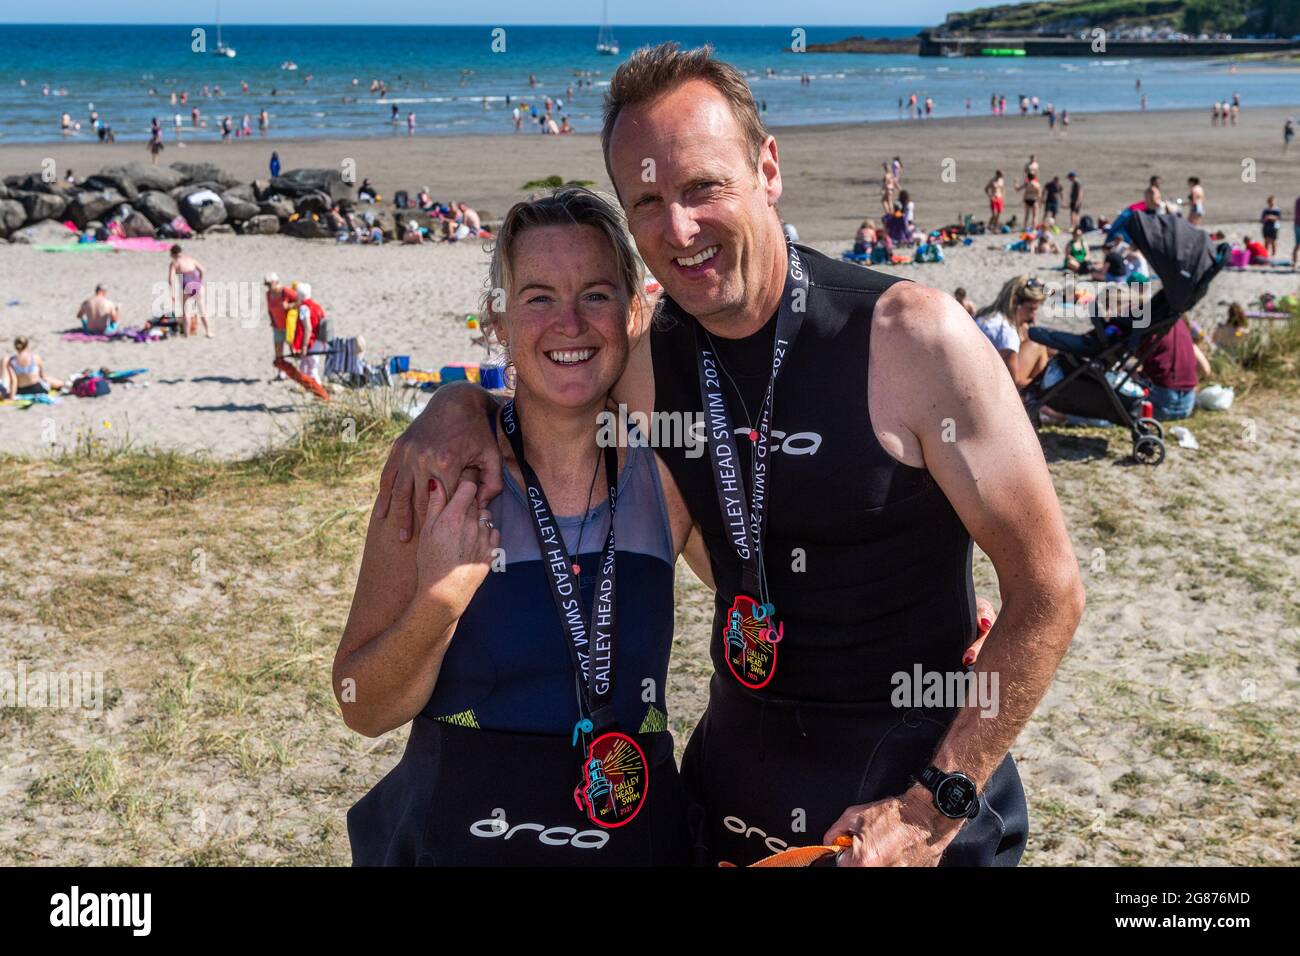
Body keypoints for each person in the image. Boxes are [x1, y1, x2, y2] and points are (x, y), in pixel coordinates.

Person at [376, 43, 1085, 868]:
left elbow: (1051, 591)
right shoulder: (646, 360)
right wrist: (453, 404)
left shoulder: (912, 341)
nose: (677, 229)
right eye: (646, 201)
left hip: (901, 806)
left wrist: (934, 809)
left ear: (768, 169)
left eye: (702, 187)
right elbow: (547, 380)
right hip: (727, 793)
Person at [337, 188, 699, 866]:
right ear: (496, 321)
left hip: (635, 840)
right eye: (537, 298)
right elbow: (361, 704)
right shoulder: (442, 473)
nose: (569, 323)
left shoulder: (668, 475)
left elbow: (783, 597)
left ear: (634, 311)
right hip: (461, 841)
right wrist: (438, 605)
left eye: (596, 294)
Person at [973, 275, 1051, 390]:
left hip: (976, 375)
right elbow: (1013, 385)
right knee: (1038, 345)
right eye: (1031, 309)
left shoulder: (985, 316)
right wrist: (1045, 383)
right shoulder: (1007, 334)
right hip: (987, 388)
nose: (1033, 316)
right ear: (1015, 302)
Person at [1139, 316, 1210, 421]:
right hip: (1187, 405)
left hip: (1159, 405)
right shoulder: (1181, 325)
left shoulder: (1150, 325)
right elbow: (1206, 370)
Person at [168, 244, 211, 337]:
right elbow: (202, 270)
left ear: (173, 254)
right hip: (197, 285)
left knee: (186, 311)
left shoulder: (174, 262)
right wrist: (200, 281)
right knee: (202, 309)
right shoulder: (190, 259)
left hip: (187, 286)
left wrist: (173, 293)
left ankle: (187, 335)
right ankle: (208, 331)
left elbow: (171, 280)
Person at [264, 273, 297, 374]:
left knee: (294, 350)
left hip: (290, 326)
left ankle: (299, 372)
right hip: (277, 326)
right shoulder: (268, 294)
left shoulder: (285, 291)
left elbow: (300, 302)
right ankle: (281, 372)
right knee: (278, 351)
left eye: (269, 284)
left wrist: (289, 306)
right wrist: (272, 320)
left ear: (276, 282)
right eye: (266, 284)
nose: (268, 287)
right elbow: (269, 309)